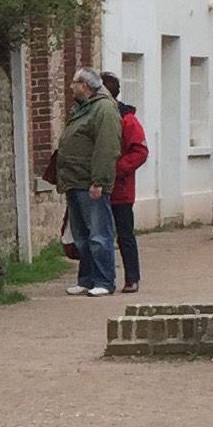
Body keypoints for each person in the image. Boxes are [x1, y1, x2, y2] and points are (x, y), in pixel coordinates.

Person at [53, 68, 126, 295]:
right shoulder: (83, 108)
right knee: (82, 236)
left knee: (99, 234)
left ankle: (104, 281)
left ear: (84, 85)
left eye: (74, 82)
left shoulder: (104, 109)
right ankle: (86, 279)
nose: (71, 87)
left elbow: (107, 148)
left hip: (90, 182)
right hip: (75, 180)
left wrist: (99, 181)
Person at [109, 91, 149, 294]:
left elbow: (140, 152)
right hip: (99, 187)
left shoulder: (128, 120)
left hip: (121, 189)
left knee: (125, 235)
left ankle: (132, 278)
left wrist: (116, 170)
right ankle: (100, 279)